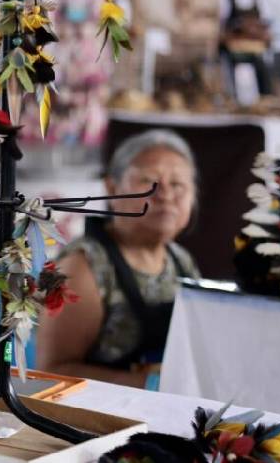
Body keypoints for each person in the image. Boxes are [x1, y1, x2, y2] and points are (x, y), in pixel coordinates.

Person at [37, 130, 201, 390]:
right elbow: (51, 372)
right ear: (112, 188)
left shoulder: (181, 261)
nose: (166, 194)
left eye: (179, 184)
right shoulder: (83, 267)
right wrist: (151, 385)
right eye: (149, 181)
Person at [220, 0, 273, 101]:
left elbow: (267, 26)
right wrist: (240, 29)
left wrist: (264, 34)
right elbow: (218, 30)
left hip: (257, 61)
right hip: (229, 61)